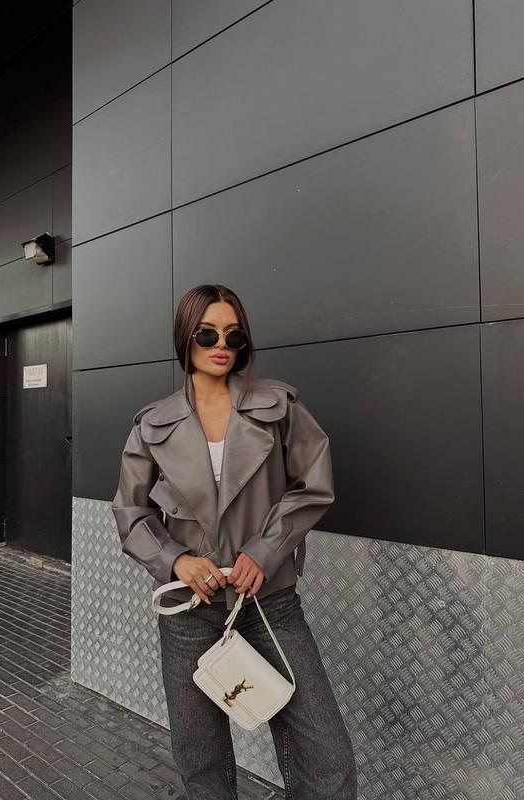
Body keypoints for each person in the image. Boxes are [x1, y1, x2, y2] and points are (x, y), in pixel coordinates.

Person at [112, 284, 357, 799]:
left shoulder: (279, 407)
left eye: (233, 335)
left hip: (269, 602)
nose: (221, 345)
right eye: (207, 334)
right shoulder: (152, 425)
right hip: (189, 610)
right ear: (185, 337)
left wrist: (264, 551)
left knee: (325, 755)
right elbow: (131, 512)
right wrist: (175, 560)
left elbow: (314, 485)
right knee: (200, 760)